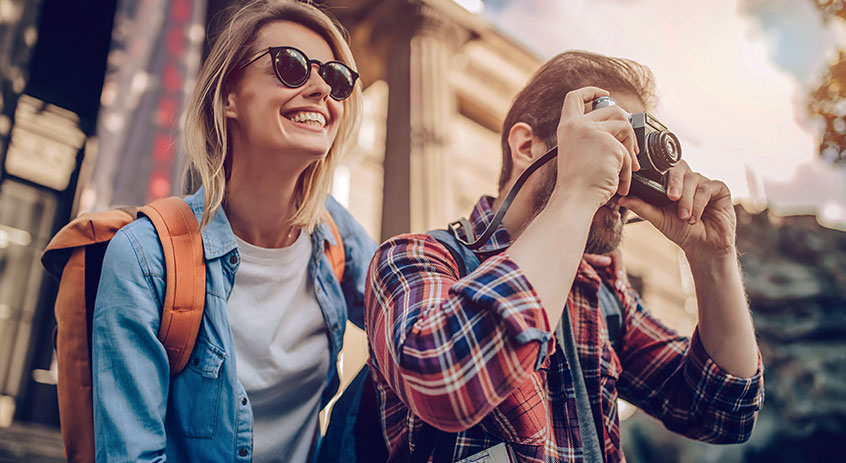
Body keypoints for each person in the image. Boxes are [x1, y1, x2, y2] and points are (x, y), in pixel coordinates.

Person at [364, 51, 764, 462]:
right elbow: (446, 383)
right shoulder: (415, 258)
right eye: (610, 142)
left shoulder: (600, 293)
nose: (622, 171)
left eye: (632, 151)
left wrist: (714, 260)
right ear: (526, 146)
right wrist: (577, 191)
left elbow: (721, 412)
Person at [91, 1, 376, 461]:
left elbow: (421, 338)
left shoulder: (336, 234)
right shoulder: (146, 256)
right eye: (291, 66)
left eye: (337, 78)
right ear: (229, 97)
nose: (322, 88)